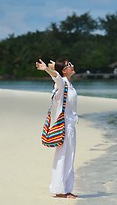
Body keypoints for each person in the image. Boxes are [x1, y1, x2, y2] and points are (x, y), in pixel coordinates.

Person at [35, 58, 78, 199]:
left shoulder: (69, 84)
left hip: (71, 125)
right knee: (63, 157)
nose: (73, 66)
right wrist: (47, 69)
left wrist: (56, 67)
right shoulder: (62, 83)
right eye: (70, 65)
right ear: (65, 70)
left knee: (69, 157)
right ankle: (60, 190)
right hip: (64, 126)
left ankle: (66, 189)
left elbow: (58, 74)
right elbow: (56, 77)